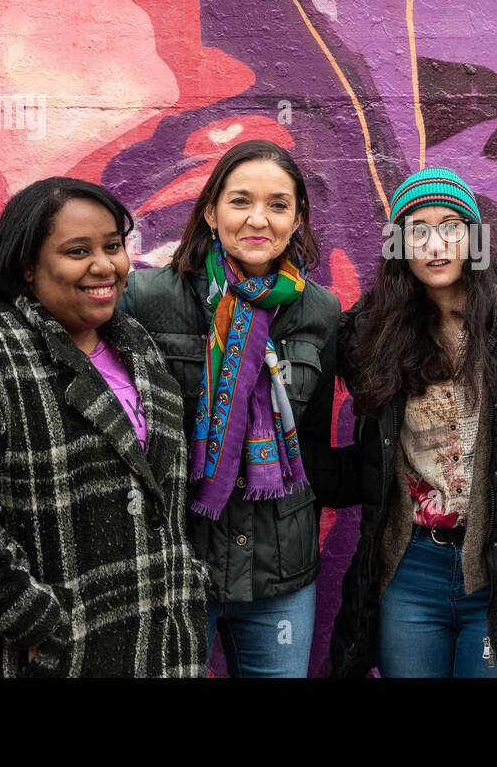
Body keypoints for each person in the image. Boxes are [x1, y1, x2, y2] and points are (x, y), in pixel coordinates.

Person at [0, 178, 208, 677]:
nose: (105, 265)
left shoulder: (136, 345)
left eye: (113, 246)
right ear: (26, 266)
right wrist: (46, 626)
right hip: (45, 660)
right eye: (77, 251)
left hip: (156, 651)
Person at [118, 140, 346, 678]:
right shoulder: (146, 298)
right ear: (210, 210)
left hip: (280, 573)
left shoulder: (320, 311)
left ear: (297, 218)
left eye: (278, 204)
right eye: (240, 201)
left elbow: (311, 441)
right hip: (174, 566)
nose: (258, 219)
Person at [330, 168, 497, 677]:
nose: (437, 243)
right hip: (412, 572)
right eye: (418, 230)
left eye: (453, 226)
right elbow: (372, 454)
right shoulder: (374, 335)